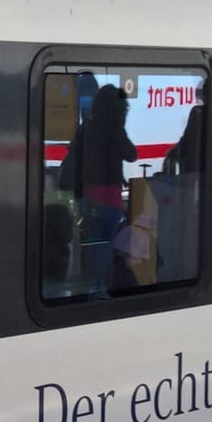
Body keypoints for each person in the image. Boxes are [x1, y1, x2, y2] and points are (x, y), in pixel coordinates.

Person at [67, 84, 137, 292]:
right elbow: (131, 153)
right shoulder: (114, 128)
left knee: (89, 246)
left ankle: (89, 287)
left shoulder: (86, 127)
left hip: (87, 196)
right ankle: (99, 290)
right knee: (105, 246)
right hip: (108, 198)